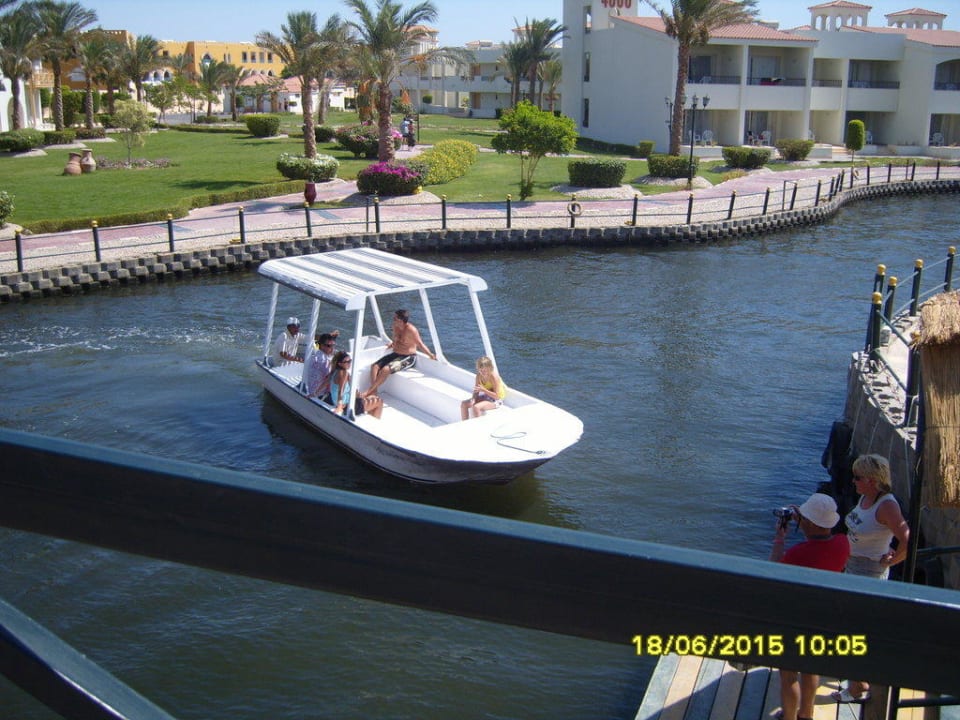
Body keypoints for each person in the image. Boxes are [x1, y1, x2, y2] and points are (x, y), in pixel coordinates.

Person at [833, 454, 910, 704]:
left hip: (868, 572)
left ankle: (857, 687)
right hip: (852, 565)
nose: (853, 481)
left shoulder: (887, 505)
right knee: (850, 626)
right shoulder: (866, 497)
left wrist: (892, 559)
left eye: (858, 477)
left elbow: (908, 540)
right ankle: (858, 678)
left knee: (855, 630)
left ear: (873, 480)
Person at [770, 493, 850, 720]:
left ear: (811, 523)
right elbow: (821, 541)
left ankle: (789, 717)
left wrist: (780, 537)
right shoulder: (842, 544)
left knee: (788, 675)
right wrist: (805, 520)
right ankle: (807, 714)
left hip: (795, 617)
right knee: (810, 668)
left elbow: (773, 570)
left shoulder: (797, 554)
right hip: (824, 616)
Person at [362, 309, 435, 398]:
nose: (393, 319)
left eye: (395, 318)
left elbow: (420, 344)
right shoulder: (395, 326)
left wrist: (430, 354)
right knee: (374, 366)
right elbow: (397, 339)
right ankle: (374, 393)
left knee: (385, 369)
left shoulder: (411, 330)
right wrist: (392, 344)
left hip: (408, 357)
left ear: (400, 320)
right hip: (395, 354)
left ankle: (369, 391)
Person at [330, 350, 382, 419]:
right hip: (347, 405)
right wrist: (339, 406)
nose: (349, 363)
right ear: (340, 364)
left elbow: (325, 383)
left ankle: (371, 418)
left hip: (342, 402)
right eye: (347, 362)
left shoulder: (334, 371)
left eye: (350, 361)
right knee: (379, 401)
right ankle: (374, 425)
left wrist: (315, 393)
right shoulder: (344, 373)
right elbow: (341, 390)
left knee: (371, 397)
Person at [460, 356, 507, 420]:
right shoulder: (479, 376)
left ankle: (479, 428)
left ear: (490, 368)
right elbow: (476, 390)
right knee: (464, 404)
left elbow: (497, 396)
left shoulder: (493, 377)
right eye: (481, 370)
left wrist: (484, 390)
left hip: (497, 400)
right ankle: (464, 425)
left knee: (476, 407)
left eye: (486, 370)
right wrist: (473, 398)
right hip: (487, 396)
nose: (483, 372)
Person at [303, 331, 339, 398]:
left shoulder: (316, 351)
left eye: (333, 345)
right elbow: (331, 378)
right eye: (329, 346)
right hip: (321, 394)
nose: (332, 348)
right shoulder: (324, 360)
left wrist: (329, 335)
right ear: (322, 346)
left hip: (312, 389)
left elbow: (315, 340)